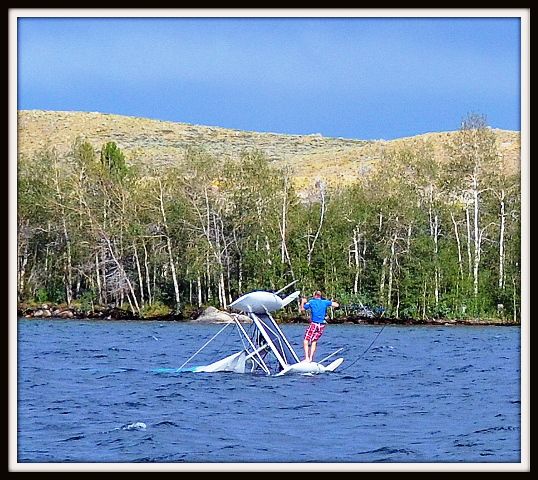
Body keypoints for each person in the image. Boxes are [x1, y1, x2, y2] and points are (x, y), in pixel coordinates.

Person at [300, 290, 339, 362]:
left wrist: (303, 302)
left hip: (314, 324)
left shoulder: (311, 302)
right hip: (321, 325)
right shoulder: (325, 302)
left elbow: (302, 309)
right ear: (320, 296)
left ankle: (307, 358)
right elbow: (336, 305)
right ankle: (311, 358)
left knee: (306, 340)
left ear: (315, 295)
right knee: (314, 341)